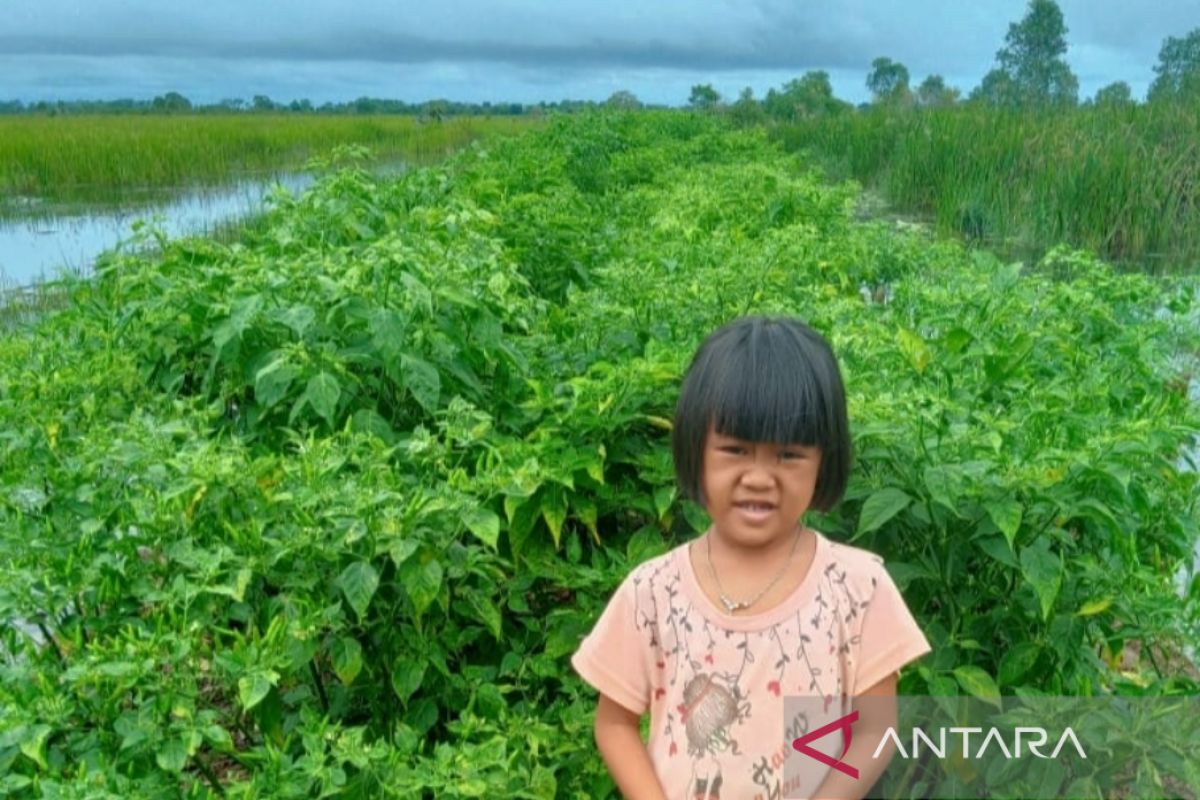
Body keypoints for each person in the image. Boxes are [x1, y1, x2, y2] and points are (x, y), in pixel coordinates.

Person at [571, 316, 931, 800]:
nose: (759, 477)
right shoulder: (652, 592)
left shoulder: (858, 589)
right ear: (696, 450)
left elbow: (875, 730)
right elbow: (614, 725)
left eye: (788, 456)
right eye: (735, 450)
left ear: (825, 459)